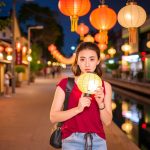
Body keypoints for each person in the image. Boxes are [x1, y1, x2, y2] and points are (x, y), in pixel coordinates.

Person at [50, 42, 112, 150]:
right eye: (82, 59)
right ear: (77, 61)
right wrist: (78, 109)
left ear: (98, 61)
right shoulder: (66, 84)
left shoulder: (105, 86)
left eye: (92, 59)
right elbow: (53, 117)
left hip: (98, 140)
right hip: (71, 140)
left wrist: (101, 104)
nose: (87, 64)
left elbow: (107, 121)